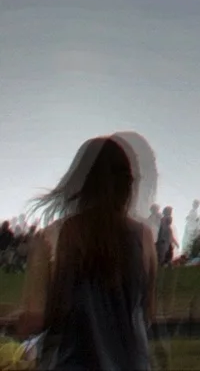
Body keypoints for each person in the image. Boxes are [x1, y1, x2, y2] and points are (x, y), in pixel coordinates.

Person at [10, 136, 159, 371]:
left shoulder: (51, 238)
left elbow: (34, 319)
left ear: (77, 183)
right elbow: (146, 311)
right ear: (127, 185)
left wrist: (17, 325)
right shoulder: (144, 237)